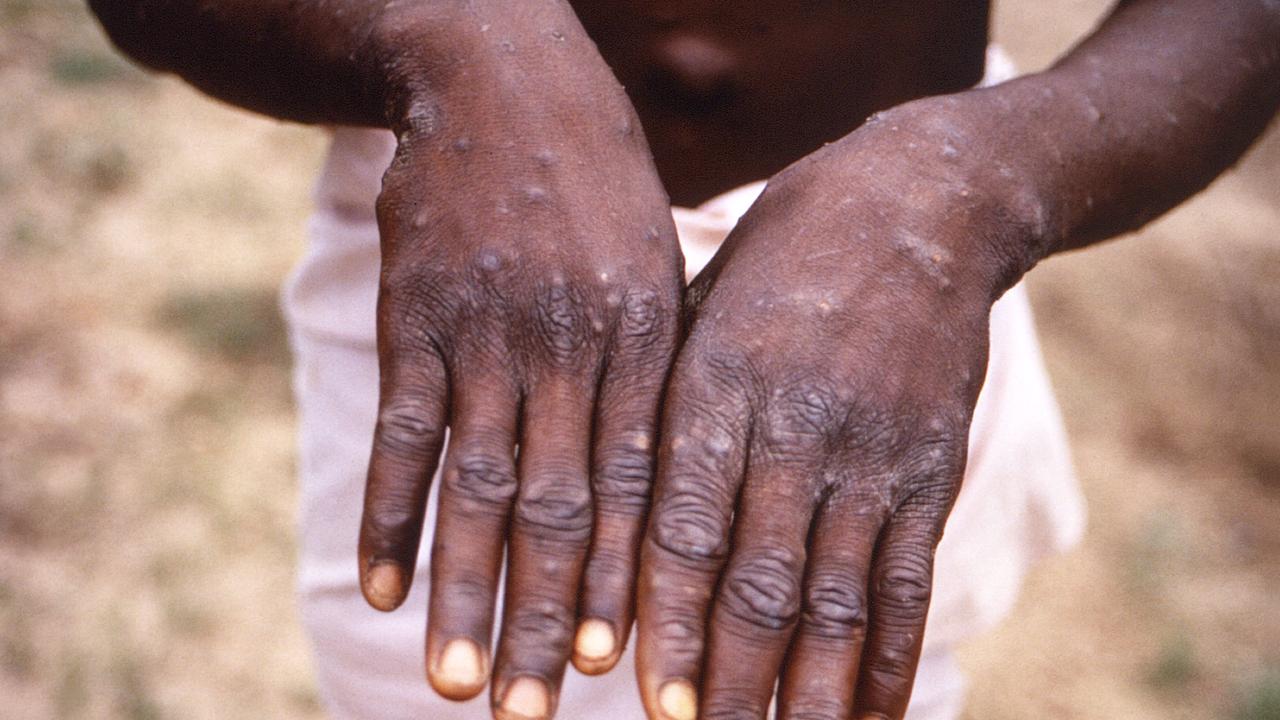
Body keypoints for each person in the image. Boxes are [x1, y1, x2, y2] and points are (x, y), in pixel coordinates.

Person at [87, 2, 1280, 719]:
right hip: (476, 218)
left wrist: (972, 188)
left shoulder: (939, 219)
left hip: (891, 285)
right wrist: (446, 34)